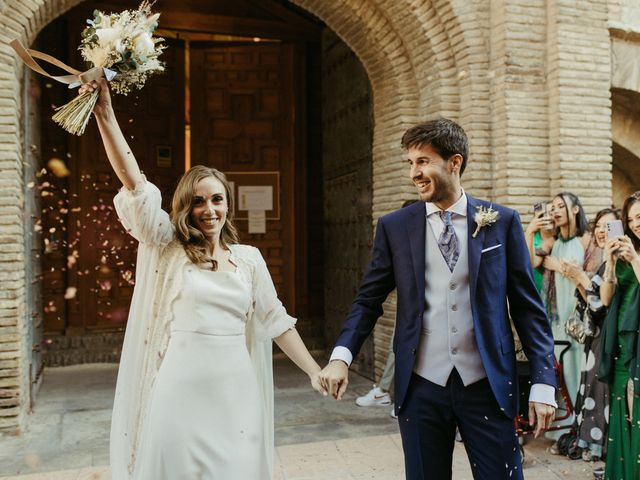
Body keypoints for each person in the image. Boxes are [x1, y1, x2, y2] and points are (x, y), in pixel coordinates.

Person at [79, 79, 325, 480]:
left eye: (216, 199)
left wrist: (315, 372)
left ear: (228, 203)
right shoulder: (166, 246)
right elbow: (134, 184)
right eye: (197, 201)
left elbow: (277, 322)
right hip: (179, 388)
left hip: (235, 390)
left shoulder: (249, 260)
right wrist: (105, 113)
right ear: (183, 207)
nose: (209, 209)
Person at [319, 118, 557, 480]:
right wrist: (341, 356)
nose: (414, 172)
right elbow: (369, 299)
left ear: (454, 162)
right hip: (421, 386)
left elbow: (528, 309)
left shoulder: (501, 222)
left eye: (423, 161)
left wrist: (543, 379)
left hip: (487, 384)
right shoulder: (395, 227)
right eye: (410, 163)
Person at [563, 208, 619, 461]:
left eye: (608, 226)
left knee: (603, 395)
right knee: (594, 393)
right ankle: (598, 452)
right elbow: (591, 305)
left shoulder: (618, 262)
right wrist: (578, 280)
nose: (600, 230)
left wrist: (582, 280)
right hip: (596, 340)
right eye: (598, 224)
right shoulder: (604, 261)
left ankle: (606, 453)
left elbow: (602, 306)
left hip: (609, 341)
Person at [535, 192, 591, 443]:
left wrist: (558, 267)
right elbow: (532, 260)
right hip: (555, 316)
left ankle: (579, 428)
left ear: (576, 209)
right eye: (554, 207)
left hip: (578, 315)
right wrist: (532, 230)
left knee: (577, 369)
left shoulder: (586, 239)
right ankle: (561, 427)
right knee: (559, 371)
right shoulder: (553, 240)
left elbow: (588, 277)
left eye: (562, 206)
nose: (556, 211)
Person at [356, 199, 419, 419]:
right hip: (409, 310)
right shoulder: (399, 236)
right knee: (398, 348)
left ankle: (395, 395)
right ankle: (389, 393)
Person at [599, 192, 640, 480]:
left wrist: (635, 259)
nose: (635, 224)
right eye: (630, 219)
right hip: (624, 344)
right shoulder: (626, 251)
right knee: (624, 414)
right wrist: (611, 264)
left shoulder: (634, 254)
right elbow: (605, 298)